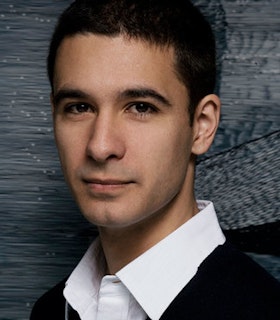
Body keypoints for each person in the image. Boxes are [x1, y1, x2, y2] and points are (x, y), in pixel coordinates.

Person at [30, 0, 280, 319]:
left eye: (141, 107)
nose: (100, 146)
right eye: (79, 107)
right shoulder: (51, 311)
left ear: (202, 126)